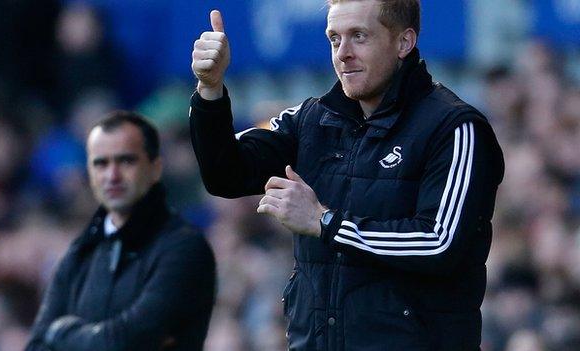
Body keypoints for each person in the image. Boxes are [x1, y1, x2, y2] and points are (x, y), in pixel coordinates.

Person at [189, 1, 504, 350]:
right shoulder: (312, 119)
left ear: (404, 42)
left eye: (359, 36)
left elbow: (438, 243)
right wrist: (211, 91)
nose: (343, 53)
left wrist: (325, 222)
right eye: (334, 39)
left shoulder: (453, 127)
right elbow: (224, 175)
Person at [26, 111, 216, 351]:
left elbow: (127, 342)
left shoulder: (185, 247)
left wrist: (60, 334)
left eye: (126, 161)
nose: (112, 176)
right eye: (101, 163)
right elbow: (37, 345)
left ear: (155, 167)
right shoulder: (81, 252)